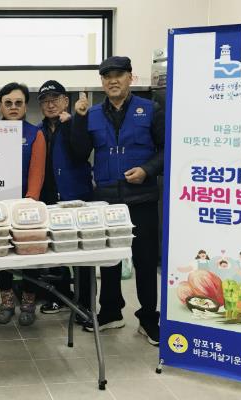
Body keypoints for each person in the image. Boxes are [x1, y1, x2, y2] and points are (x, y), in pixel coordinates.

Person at [72, 56, 165, 346]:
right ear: (102, 82)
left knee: (145, 260)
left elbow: (166, 150)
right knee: (109, 259)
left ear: (130, 78)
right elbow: (79, 152)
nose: (113, 81)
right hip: (107, 200)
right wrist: (79, 119)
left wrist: (147, 170)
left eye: (119, 75)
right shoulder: (92, 114)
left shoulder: (150, 109)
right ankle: (111, 312)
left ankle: (148, 319)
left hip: (142, 197)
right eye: (107, 76)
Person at [0, 82, 45, 326]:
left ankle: (29, 302)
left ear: (25, 106)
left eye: (18, 103)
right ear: (0, 106)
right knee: (1, 252)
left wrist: (29, 202)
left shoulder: (35, 134)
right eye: (8, 103)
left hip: (26, 207)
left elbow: (37, 171)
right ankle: (7, 300)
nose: (13, 107)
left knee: (30, 254)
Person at [35, 80, 93, 318]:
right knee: (54, 250)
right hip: (48, 198)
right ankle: (59, 297)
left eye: (55, 100)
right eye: (45, 101)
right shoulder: (38, 130)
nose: (50, 105)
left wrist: (75, 122)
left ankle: (85, 303)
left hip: (76, 196)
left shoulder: (75, 123)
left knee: (82, 251)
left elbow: (82, 152)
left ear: (65, 101)